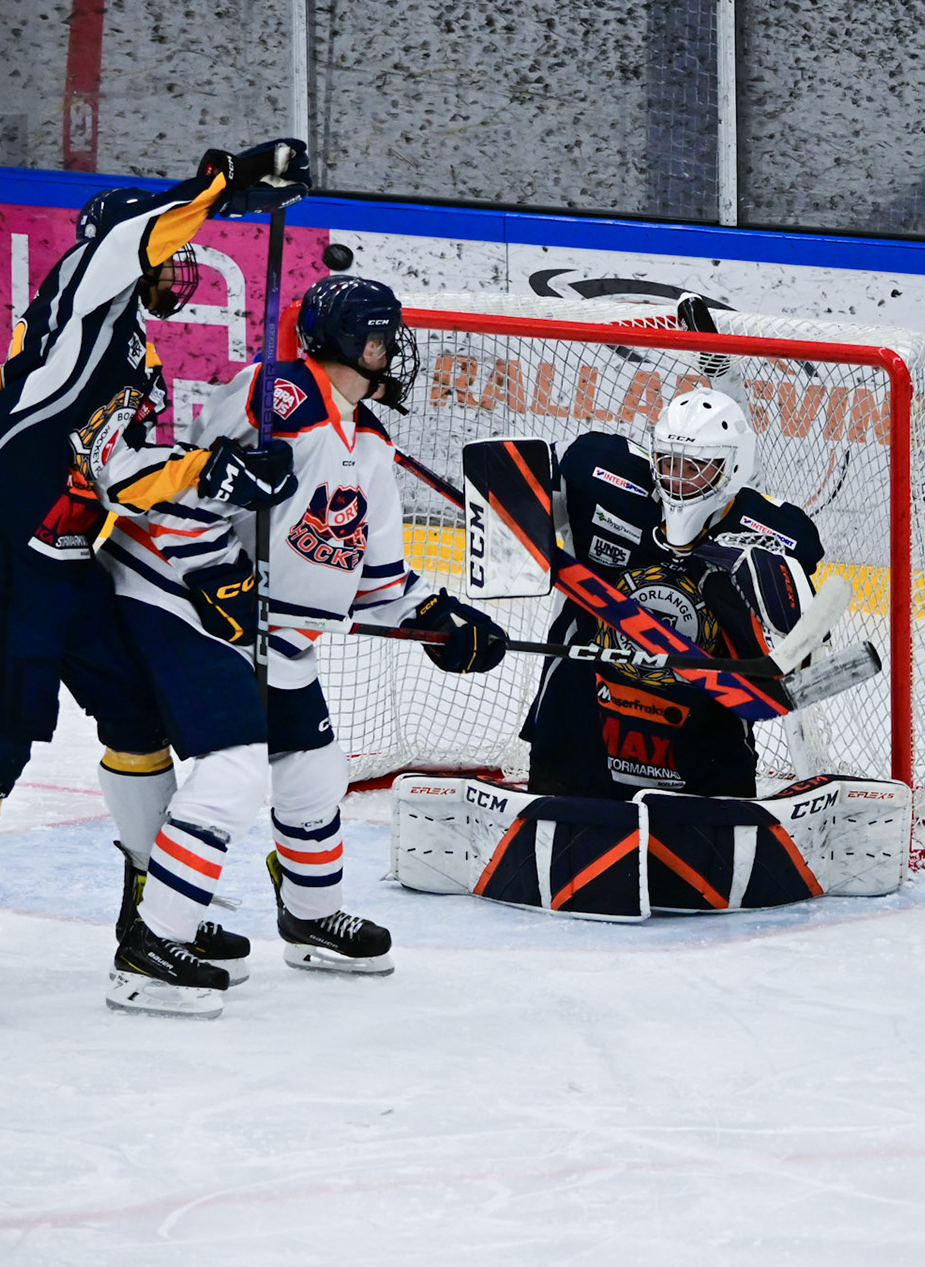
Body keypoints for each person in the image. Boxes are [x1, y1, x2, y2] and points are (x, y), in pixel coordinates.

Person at [0, 140, 311, 1026]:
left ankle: (151, 918)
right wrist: (223, 186)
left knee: (137, 721)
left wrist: (214, 473)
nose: (178, 272)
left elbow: (120, 468)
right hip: (4, 544)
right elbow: (127, 238)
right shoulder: (79, 301)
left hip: (74, 558)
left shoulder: (135, 355)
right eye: (168, 254)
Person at [91, 273, 508, 1017]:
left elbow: (376, 577)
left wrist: (439, 618)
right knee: (234, 773)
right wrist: (219, 575)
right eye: (381, 338)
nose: (393, 352)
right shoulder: (276, 395)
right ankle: (150, 948)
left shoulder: (370, 441)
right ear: (348, 342)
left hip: (270, 630)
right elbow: (183, 494)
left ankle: (311, 918)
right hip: (181, 601)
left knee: (314, 770)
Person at [519, 297, 823, 800]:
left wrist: (778, 596)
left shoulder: (771, 530)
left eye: (695, 468)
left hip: (701, 763)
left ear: (729, 468)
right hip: (578, 741)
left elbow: (799, 662)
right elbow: (515, 492)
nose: (678, 480)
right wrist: (507, 499)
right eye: (669, 463)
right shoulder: (604, 476)